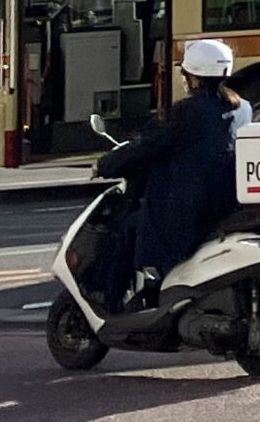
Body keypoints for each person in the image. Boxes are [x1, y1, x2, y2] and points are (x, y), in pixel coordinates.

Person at [91, 39, 243, 309]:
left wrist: (106, 165)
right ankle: (158, 286)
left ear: (192, 76)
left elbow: (148, 146)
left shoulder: (188, 112)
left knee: (127, 228)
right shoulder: (242, 108)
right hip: (225, 202)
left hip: (188, 206)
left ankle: (111, 302)